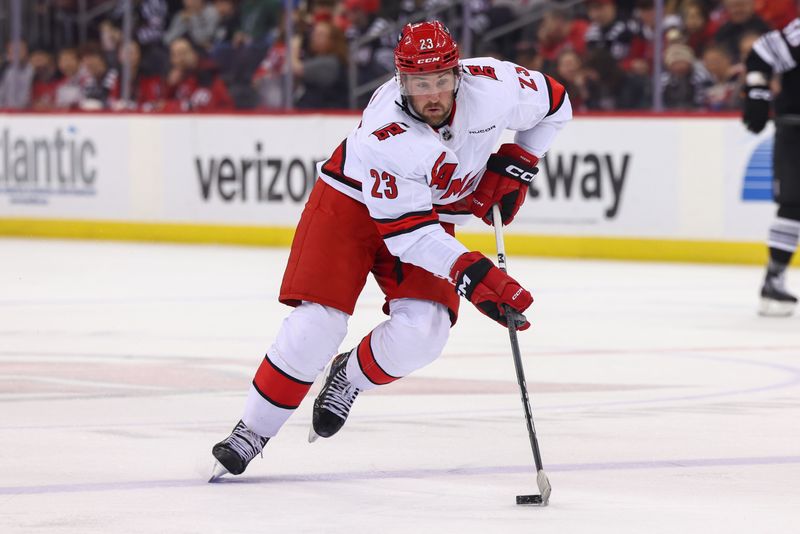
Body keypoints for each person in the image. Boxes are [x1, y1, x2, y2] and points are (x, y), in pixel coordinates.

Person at [210, 20, 572, 478]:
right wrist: (473, 274)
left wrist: (521, 160)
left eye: (442, 80)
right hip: (350, 201)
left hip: (424, 214)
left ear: (458, 74)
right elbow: (409, 237)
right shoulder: (388, 133)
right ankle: (253, 431)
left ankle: (348, 377)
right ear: (401, 81)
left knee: (425, 332)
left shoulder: (496, 86)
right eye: (421, 84)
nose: (434, 95)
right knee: (317, 324)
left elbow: (556, 104)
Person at [742, 6, 800, 316]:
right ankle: (774, 278)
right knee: (793, 205)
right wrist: (757, 94)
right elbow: (762, 53)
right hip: (796, 129)